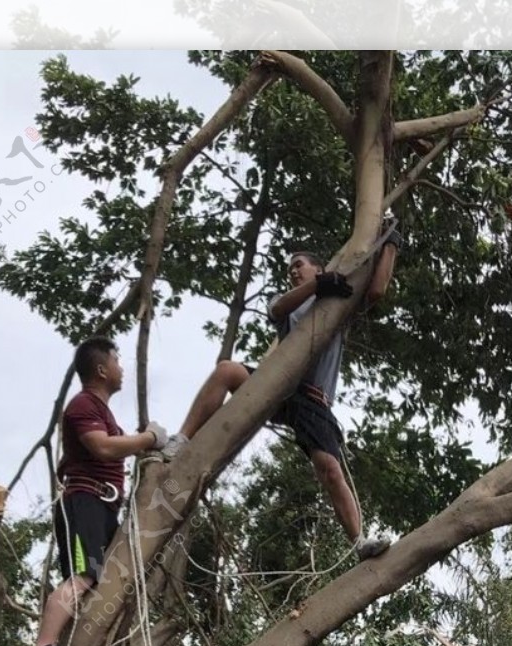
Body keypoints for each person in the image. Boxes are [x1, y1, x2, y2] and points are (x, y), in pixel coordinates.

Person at [153, 223, 401, 561]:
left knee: (329, 469)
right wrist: (317, 285)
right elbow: (277, 308)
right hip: (280, 386)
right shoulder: (294, 302)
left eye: (300, 265)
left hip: (313, 400)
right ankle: (182, 439)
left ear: (320, 266)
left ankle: (358, 542)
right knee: (227, 370)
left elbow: (375, 292)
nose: (293, 272)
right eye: (289, 269)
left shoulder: (339, 301)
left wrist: (390, 244)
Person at [23, 337, 167, 646]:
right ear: (102, 369)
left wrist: (142, 443)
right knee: (83, 575)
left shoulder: (102, 413)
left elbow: (105, 447)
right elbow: (103, 448)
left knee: (100, 583)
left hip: (102, 507)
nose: (122, 367)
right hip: (85, 502)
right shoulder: (83, 405)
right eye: (117, 360)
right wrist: (147, 439)